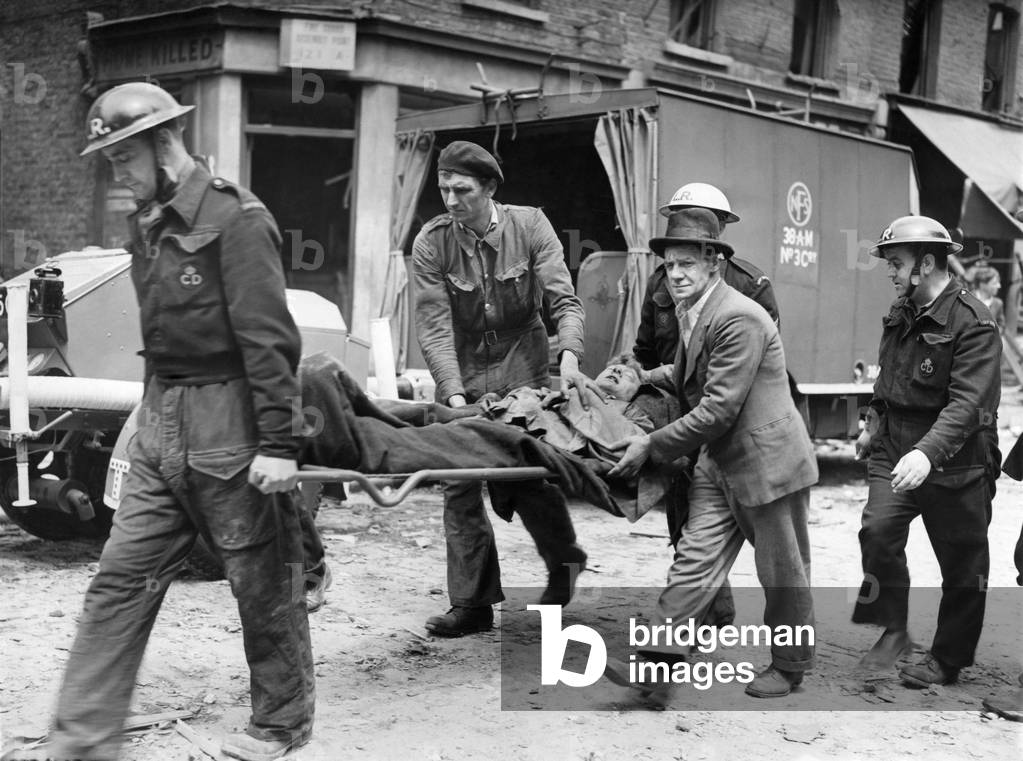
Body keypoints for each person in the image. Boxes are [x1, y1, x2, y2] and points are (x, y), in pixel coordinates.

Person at [3, 83, 315, 761]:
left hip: (229, 419)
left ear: (162, 141)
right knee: (120, 577)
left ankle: (279, 722)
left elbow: (269, 342)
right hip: (160, 420)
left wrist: (280, 444)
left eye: (121, 157)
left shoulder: (237, 218)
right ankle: (83, 740)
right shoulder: (144, 222)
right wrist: (149, 421)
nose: (116, 174)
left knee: (261, 580)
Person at [606, 207, 818, 699]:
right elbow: (685, 371)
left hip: (767, 464)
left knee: (781, 571)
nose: (676, 274)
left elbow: (718, 409)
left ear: (714, 264)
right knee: (694, 561)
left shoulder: (739, 317)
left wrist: (650, 444)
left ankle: (790, 667)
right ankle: (656, 671)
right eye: (670, 265)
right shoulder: (694, 310)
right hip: (718, 462)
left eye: (688, 264)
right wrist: (644, 376)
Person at [412, 140, 599, 637]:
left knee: (524, 473)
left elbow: (564, 300)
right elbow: (433, 326)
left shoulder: (531, 226)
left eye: (462, 190)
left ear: (490, 189)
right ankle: (471, 604)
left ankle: (564, 562)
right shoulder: (432, 242)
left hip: (524, 358)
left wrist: (571, 358)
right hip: (465, 363)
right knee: (458, 477)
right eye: (443, 189)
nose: (450, 201)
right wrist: (454, 397)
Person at [852, 215, 1001, 688]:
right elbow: (884, 382)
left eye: (896, 263)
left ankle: (947, 659)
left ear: (927, 262)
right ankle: (894, 628)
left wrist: (927, 453)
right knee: (877, 531)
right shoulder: (901, 312)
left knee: (963, 563)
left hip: (957, 459)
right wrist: (870, 425)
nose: (891, 272)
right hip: (894, 445)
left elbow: (969, 404)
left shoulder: (973, 323)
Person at [966, 264, 1005, 332]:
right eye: (994, 283)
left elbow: (1001, 324)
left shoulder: (998, 303)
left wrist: (995, 334)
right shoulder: (967, 299)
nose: (999, 286)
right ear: (983, 284)